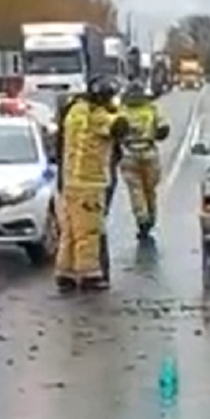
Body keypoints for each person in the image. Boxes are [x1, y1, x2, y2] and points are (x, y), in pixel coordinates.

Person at [54, 76, 129, 292]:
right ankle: (89, 274)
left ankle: (65, 273)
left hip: (69, 180)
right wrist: (120, 111)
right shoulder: (98, 116)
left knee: (70, 230)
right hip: (90, 181)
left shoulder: (75, 111)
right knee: (89, 231)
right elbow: (120, 127)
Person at [118, 79, 170, 239]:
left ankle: (142, 219)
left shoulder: (122, 111)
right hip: (149, 152)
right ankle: (151, 217)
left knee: (136, 190)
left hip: (128, 153)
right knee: (150, 190)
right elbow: (163, 129)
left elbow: (114, 131)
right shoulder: (151, 109)